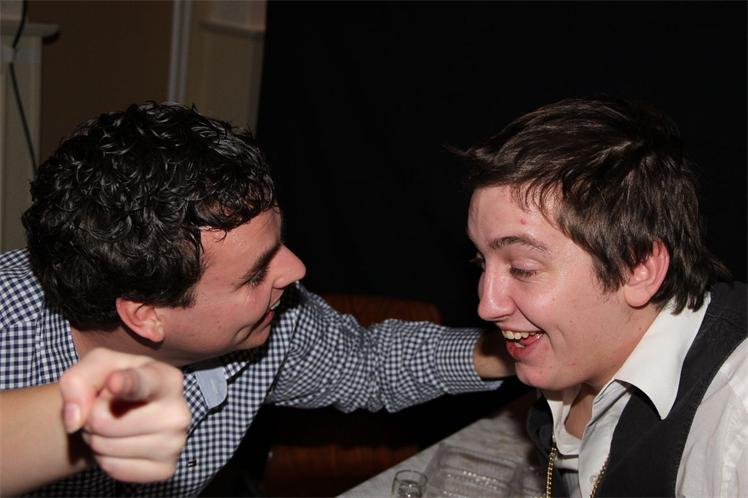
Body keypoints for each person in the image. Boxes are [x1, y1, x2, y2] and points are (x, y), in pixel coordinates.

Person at [0, 102, 512, 496]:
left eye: (277, 245)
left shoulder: (269, 321)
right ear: (146, 316)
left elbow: (368, 361)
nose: (296, 270)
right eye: (254, 274)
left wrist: (511, 349)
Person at [462, 96, 746, 497]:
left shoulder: (736, 428)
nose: (486, 305)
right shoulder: (582, 347)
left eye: (523, 268)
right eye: (481, 261)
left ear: (638, 268)